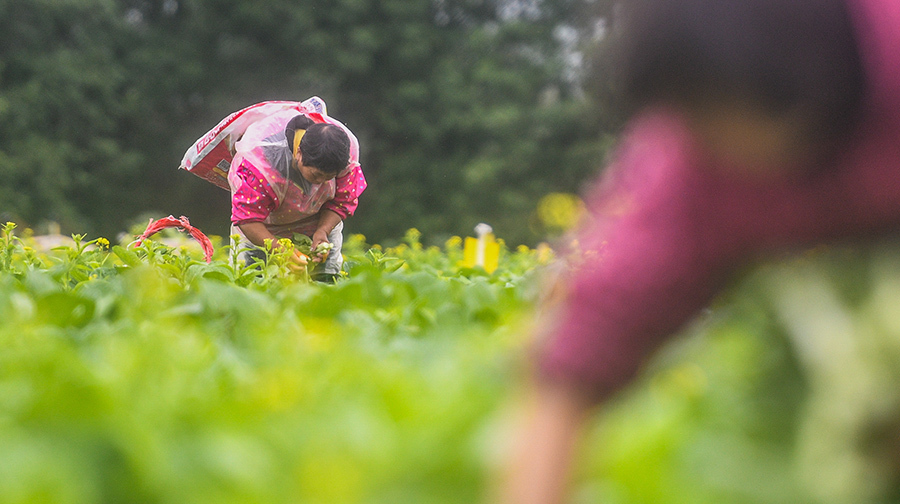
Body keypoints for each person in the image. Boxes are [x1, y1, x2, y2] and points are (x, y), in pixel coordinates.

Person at [497, 0, 900, 502]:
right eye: (697, 117)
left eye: (740, 112)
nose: (728, 150)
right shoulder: (694, 169)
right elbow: (585, 348)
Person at [227, 102, 366, 282]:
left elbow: (342, 201)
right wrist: (280, 250)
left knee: (326, 282)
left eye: (328, 177)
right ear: (299, 153)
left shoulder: (344, 153)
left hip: (318, 222)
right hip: (264, 230)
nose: (321, 182)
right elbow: (247, 218)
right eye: (316, 175)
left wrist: (322, 231)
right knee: (251, 281)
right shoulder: (260, 163)